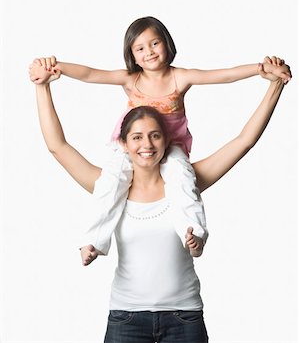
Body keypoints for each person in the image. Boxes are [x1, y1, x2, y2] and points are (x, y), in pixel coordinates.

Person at [31, 60, 290, 343]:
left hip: (184, 318)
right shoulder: (109, 187)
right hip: (126, 318)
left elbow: (243, 142)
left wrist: (275, 86)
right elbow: (58, 146)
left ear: (166, 141)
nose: (147, 145)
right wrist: (42, 86)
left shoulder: (187, 182)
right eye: (137, 137)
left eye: (155, 136)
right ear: (125, 144)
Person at [29, 17, 292, 264]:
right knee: (110, 182)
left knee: (182, 180)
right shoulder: (131, 80)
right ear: (131, 55)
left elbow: (223, 75)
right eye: (140, 48)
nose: (150, 51)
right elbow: (89, 74)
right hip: (127, 151)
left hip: (173, 147)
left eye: (155, 43)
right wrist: (54, 69)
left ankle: (194, 233)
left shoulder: (180, 77)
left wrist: (261, 70)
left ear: (167, 43)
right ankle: (94, 240)